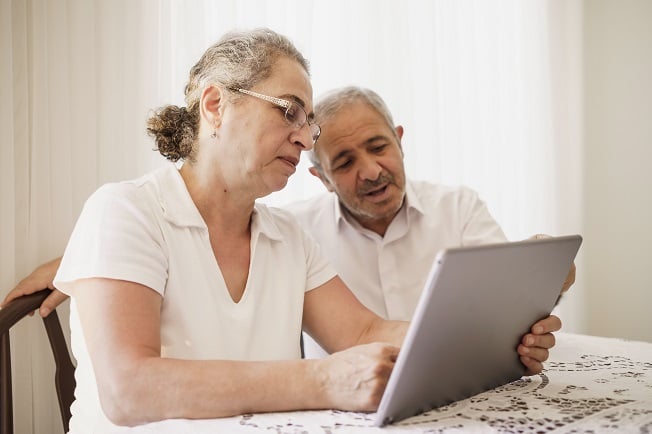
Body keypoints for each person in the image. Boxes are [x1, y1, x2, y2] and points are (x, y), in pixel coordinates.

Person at [11, 29, 412, 432]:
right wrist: (324, 380)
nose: (305, 138)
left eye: (310, 124)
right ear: (216, 104)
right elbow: (129, 391)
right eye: (290, 111)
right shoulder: (125, 211)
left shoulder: (289, 237)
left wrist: (467, 339)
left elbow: (365, 332)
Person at [286, 86, 574, 368]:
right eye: (346, 163)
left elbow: (506, 300)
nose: (372, 172)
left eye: (378, 147)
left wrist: (544, 283)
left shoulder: (459, 208)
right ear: (322, 178)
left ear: (399, 141)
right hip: (344, 407)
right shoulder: (296, 231)